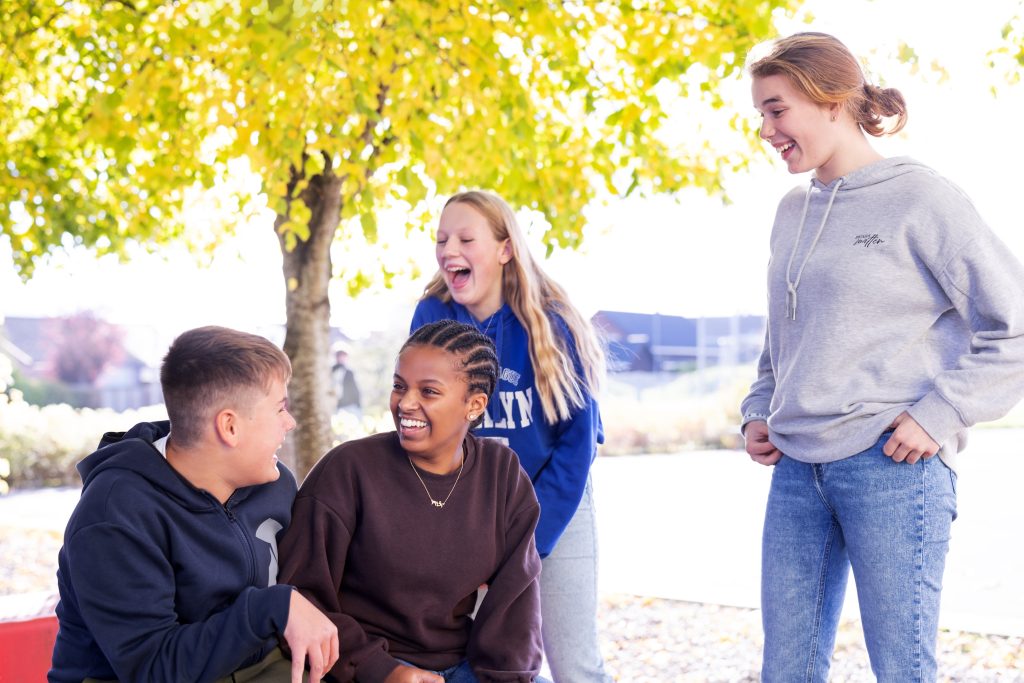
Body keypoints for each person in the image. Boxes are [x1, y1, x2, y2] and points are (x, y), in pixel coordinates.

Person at [741, 32, 1024, 682]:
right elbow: (782, 334)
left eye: (776, 109)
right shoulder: (791, 211)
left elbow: (1012, 324)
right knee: (785, 671)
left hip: (892, 470)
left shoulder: (921, 197)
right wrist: (760, 405)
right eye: (759, 113)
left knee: (901, 670)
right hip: (796, 474)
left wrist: (939, 413)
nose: (765, 129)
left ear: (831, 101)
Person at [49, 326, 339, 683]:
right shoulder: (114, 514)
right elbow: (152, 668)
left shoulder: (274, 484)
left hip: (253, 666)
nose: (290, 422)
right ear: (229, 426)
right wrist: (269, 608)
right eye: (280, 408)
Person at [410, 191, 611, 682]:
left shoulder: (551, 322)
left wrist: (530, 544)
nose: (447, 249)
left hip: (552, 503)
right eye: (441, 239)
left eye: (464, 238)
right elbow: (418, 423)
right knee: (495, 661)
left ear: (504, 249)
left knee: (575, 663)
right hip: (469, 512)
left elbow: (577, 443)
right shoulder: (432, 317)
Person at [277, 319, 545, 683]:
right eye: (399, 386)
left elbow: (516, 606)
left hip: (464, 667)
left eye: (429, 392)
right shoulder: (348, 470)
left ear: (475, 404)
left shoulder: (502, 474)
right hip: (360, 667)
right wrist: (380, 670)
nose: (405, 403)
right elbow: (300, 597)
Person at [330, 342, 362, 417]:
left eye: (343, 355)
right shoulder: (331, 371)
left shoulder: (349, 372)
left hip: (349, 405)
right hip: (336, 405)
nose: (341, 357)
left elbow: (354, 389)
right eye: (339, 355)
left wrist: (358, 404)